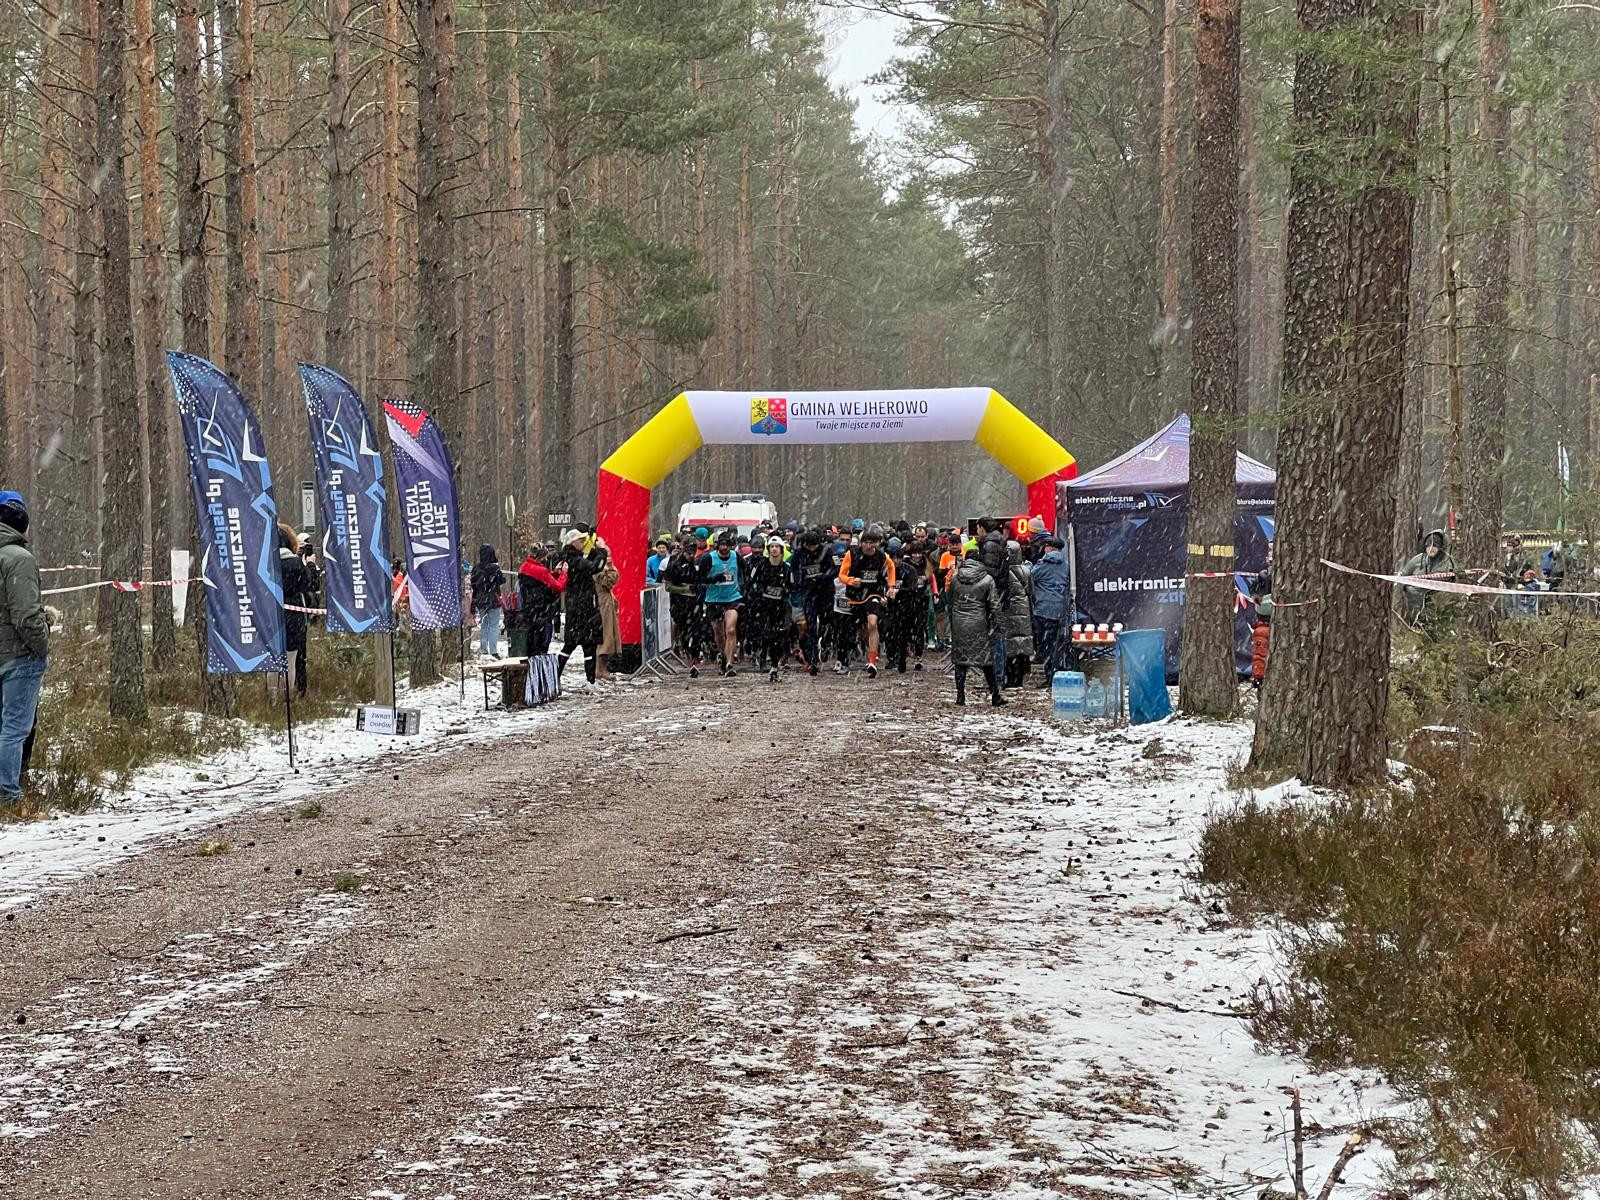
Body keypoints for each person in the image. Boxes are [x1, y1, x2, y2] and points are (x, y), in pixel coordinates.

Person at [0, 493, 48, 808]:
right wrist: (42, 645)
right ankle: (8, 795)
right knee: (16, 729)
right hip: (19, 656)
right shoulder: (19, 558)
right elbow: (26, 616)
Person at [949, 552, 1005, 707]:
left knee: (960, 660)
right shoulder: (987, 579)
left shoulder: (955, 577)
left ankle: (960, 695)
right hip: (979, 622)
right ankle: (995, 695)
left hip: (959, 622)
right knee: (986, 661)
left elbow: (950, 598)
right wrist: (1000, 625)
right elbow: (995, 605)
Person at [557, 529, 607, 684]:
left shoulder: (569, 556)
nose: (583, 543)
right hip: (582, 608)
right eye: (581, 540)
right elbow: (595, 567)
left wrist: (593, 549)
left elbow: (588, 560)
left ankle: (587, 679)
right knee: (582, 645)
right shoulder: (574, 559)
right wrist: (602, 550)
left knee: (576, 645)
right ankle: (588, 679)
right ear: (573, 542)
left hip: (576, 607)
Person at [747, 537, 794, 682]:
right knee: (766, 634)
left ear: (781, 549)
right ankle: (762, 655)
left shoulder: (786, 568)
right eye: (771, 546)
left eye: (777, 547)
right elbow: (751, 582)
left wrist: (784, 592)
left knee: (778, 635)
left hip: (780, 606)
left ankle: (774, 665)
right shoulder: (761, 565)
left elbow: (791, 586)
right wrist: (754, 597)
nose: (774, 549)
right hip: (763, 605)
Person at [791, 528, 835, 675]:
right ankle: (812, 659)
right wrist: (800, 582)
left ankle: (825, 643)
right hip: (808, 593)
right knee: (809, 627)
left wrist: (822, 578)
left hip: (825, 592)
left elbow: (834, 569)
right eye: (808, 546)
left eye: (814, 546)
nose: (811, 549)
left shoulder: (827, 552)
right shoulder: (799, 553)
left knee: (825, 623)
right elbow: (794, 570)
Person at [277, 522, 314, 696]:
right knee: (292, 659)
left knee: (273, 660)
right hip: (294, 615)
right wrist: (309, 566)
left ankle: (272, 697)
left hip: (272, 615)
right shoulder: (295, 563)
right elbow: (307, 584)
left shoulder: (268, 562)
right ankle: (289, 693)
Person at [664, 536, 708, 677]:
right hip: (679, 605)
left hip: (695, 604)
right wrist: (684, 589)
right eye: (688, 553)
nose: (690, 556)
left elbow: (702, 580)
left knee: (696, 633)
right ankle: (688, 655)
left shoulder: (696, 564)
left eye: (693, 553)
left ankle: (695, 661)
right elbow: (668, 587)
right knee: (684, 633)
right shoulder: (674, 565)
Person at [701, 530, 743, 676]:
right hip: (714, 600)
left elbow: (746, 572)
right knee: (719, 633)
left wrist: (745, 589)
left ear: (731, 546)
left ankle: (730, 663)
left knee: (730, 630)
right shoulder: (708, 559)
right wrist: (714, 579)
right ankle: (723, 656)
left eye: (728, 545)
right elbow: (700, 578)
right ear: (718, 545)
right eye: (722, 545)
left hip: (732, 598)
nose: (725, 548)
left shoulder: (736, 557)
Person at [886, 540, 930, 672]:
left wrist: (900, 590)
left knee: (915, 630)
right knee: (891, 631)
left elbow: (913, 586)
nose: (896, 561)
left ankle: (917, 656)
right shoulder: (887, 569)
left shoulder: (911, 569)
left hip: (912, 604)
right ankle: (892, 657)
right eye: (893, 558)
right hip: (892, 605)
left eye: (898, 558)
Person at [1030, 536, 1069, 682]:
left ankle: (1049, 676)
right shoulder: (1066, 564)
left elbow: (1031, 578)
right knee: (1055, 644)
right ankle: (1057, 671)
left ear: (1050, 548)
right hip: (1059, 609)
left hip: (1043, 608)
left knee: (1045, 645)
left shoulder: (1043, 564)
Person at [517, 545, 567, 657]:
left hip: (529, 612)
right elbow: (558, 586)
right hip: (542, 612)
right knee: (542, 644)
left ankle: (531, 668)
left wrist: (554, 573)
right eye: (545, 557)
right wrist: (564, 574)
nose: (546, 559)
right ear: (540, 557)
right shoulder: (541, 571)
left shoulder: (524, 567)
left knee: (531, 645)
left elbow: (540, 580)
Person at [1399, 528, 1455, 624]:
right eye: (1428, 545)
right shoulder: (1418, 560)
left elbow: (1453, 582)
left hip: (1439, 609)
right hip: (1414, 608)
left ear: (1441, 547)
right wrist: (1410, 589)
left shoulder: (1448, 562)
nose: (1430, 548)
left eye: (1434, 545)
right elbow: (1403, 576)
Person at [1002, 540, 1035, 687]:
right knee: (1023, 642)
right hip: (1023, 608)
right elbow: (1030, 591)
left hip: (1009, 609)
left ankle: (1010, 678)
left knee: (1010, 643)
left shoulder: (1003, 571)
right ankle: (1020, 677)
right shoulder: (1026, 571)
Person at [470, 544, 506, 658]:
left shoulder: (476, 568)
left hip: (481, 600)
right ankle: (493, 650)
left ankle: (483, 648)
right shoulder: (494, 568)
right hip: (494, 600)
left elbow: (473, 585)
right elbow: (501, 581)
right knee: (494, 625)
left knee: (484, 625)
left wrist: (474, 601)